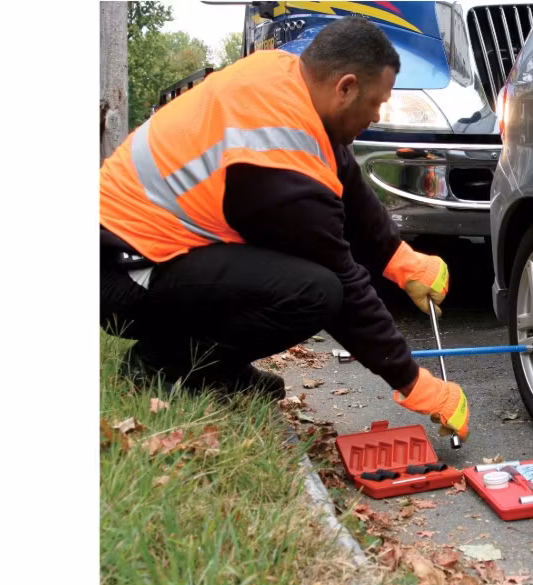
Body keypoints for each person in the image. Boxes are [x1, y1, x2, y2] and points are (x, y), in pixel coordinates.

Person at [99, 17, 470, 441]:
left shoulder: (285, 75)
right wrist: (415, 384)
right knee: (314, 293)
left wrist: (401, 260)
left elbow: (344, 176)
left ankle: (218, 367)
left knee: (302, 282)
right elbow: (349, 291)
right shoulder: (277, 168)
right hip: (123, 274)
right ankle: (161, 362)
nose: (377, 114)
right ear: (345, 87)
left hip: (141, 246)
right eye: (376, 102)